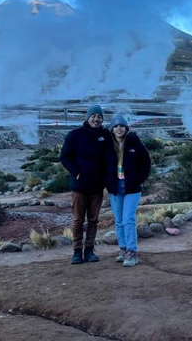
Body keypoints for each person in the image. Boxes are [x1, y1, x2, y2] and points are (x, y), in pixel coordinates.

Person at [60, 104, 112, 264]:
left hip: (97, 186)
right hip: (80, 186)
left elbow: (111, 157)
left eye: (99, 117)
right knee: (77, 220)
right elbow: (65, 157)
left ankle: (89, 250)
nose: (96, 119)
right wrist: (76, 172)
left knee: (93, 220)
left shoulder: (105, 135)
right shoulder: (75, 135)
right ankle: (77, 252)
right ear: (87, 117)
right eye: (94, 116)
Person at [106, 114, 151, 267]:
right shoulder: (108, 146)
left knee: (128, 219)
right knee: (118, 221)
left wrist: (139, 179)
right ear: (112, 129)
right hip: (115, 188)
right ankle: (123, 249)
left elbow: (146, 163)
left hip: (132, 188)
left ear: (126, 128)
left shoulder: (135, 143)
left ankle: (132, 252)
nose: (119, 128)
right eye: (116, 126)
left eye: (122, 126)